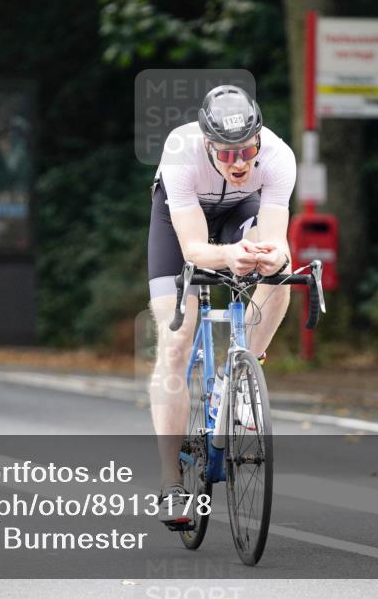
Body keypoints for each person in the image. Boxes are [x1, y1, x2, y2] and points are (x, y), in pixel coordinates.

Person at [147, 85, 295, 527]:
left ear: (259, 140)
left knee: (278, 279)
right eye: (226, 154)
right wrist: (228, 257)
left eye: (246, 151)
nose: (239, 162)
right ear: (206, 143)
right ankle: (171, 481)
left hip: (239, 213)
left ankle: (241, 374)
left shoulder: (278, 157)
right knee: (175, 344)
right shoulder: (181, 152)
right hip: (180, 222)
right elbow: (193, 248)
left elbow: (276, 239)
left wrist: (273, 258)